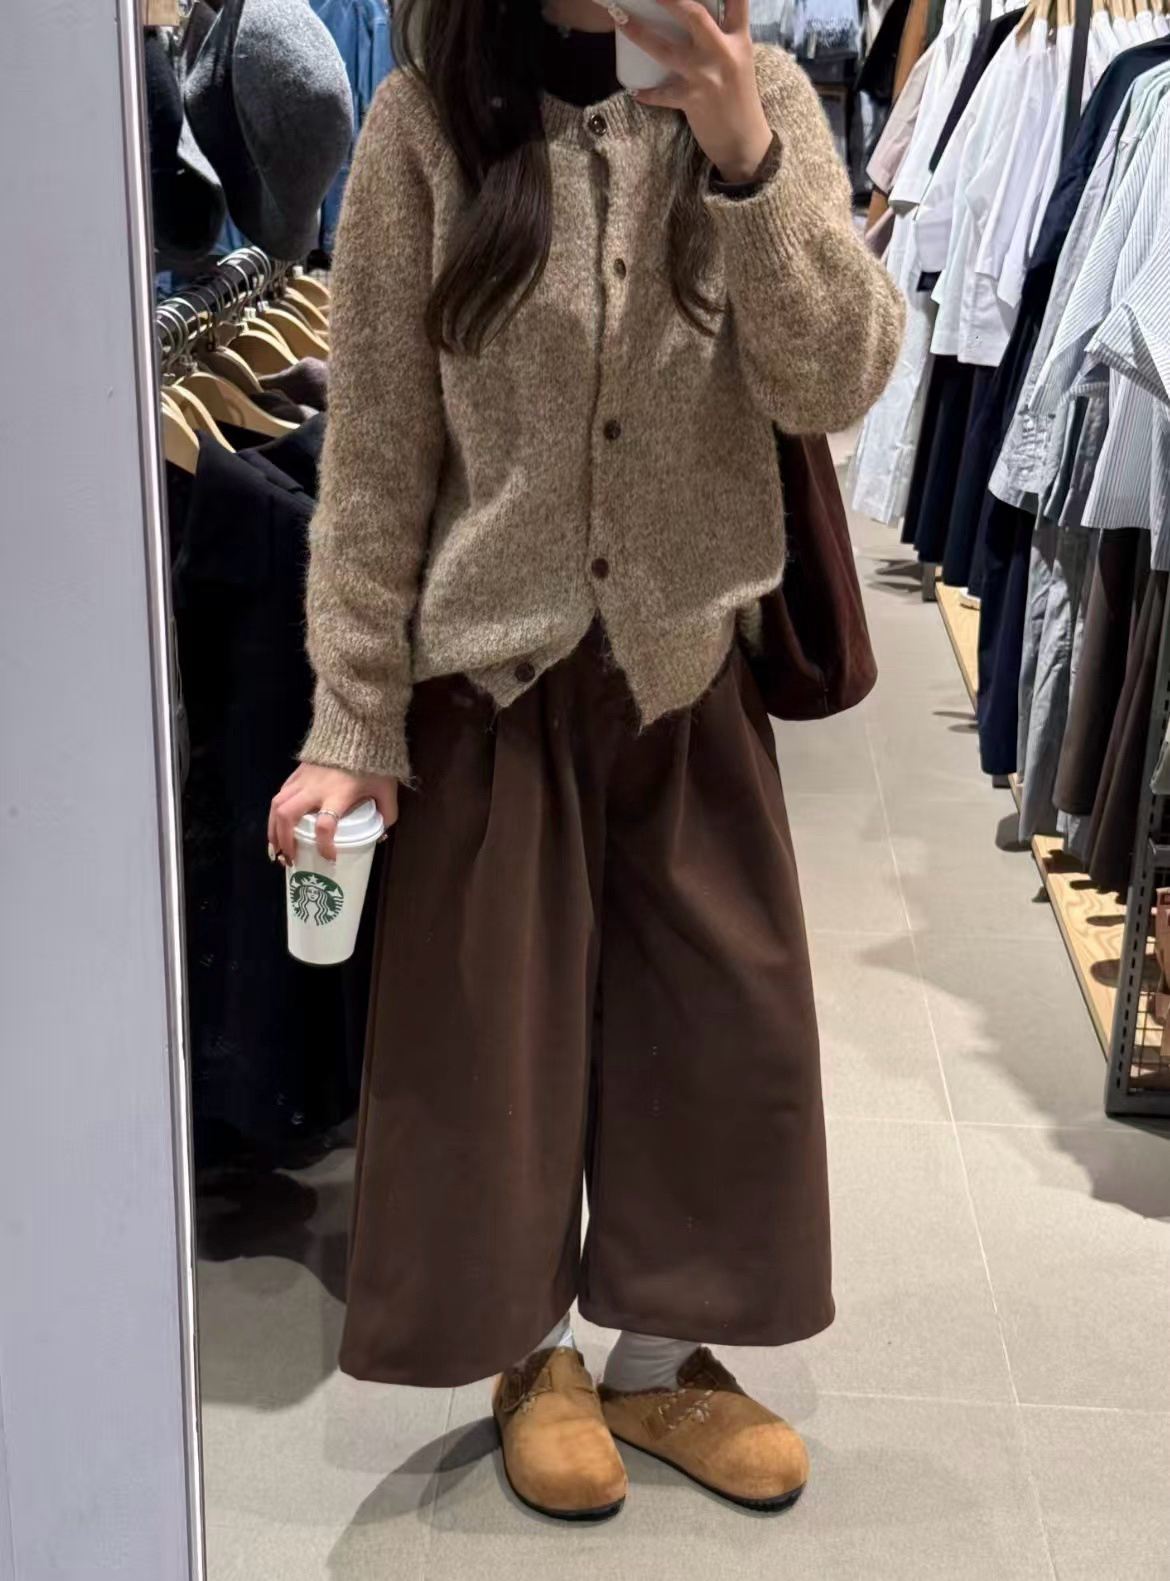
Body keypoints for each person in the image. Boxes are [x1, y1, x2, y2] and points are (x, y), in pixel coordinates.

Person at [269, 0, 904, 1523]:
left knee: (720, 1028)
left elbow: (836, 380)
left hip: (689, 676)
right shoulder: (426, 125)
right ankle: (532, 1356)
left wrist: (745, 157)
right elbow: (375, 455)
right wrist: (352, 718)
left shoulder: (763, 103)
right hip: (492, 681)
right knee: (495, 1043)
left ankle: (667, 1358)